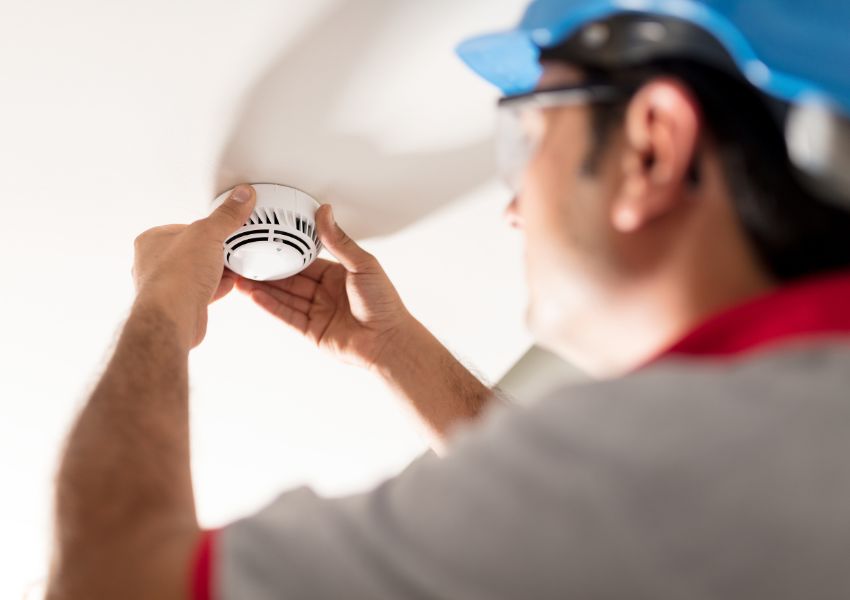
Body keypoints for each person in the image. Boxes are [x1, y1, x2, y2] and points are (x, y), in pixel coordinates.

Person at [47, 1, 850, 598]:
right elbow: (571, 530)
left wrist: (159, 308)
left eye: (527, 136)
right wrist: (394, 349)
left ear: (650, 147)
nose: (510, 206)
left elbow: (111, 579)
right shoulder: (766, 447)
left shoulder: (694, 467)